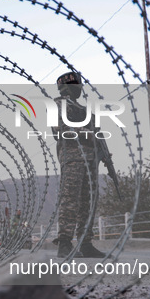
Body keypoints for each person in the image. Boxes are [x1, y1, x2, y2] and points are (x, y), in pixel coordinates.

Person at [53, 71, 107, 258]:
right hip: (73, 157)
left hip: (91, 159)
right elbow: (61, 130)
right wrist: (88, 133)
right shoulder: (59, 105)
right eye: (77, 85)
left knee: (89, 201)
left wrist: (102, 150)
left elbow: (96, 134)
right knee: (70, 199)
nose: (80, 89)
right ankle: (65, 243)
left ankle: (85, 243)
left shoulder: (84, 110)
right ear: (67, 87)